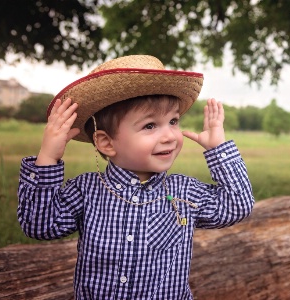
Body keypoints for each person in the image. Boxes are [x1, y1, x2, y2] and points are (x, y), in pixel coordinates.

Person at [17, 55, 254, 299]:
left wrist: (218, 149)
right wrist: (47, 156)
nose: (170, 136)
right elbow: (39, 226)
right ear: (106, 143)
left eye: (173, 121)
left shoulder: (184, 192)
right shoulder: (86, 190)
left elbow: (237, 205)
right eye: (150, 126)